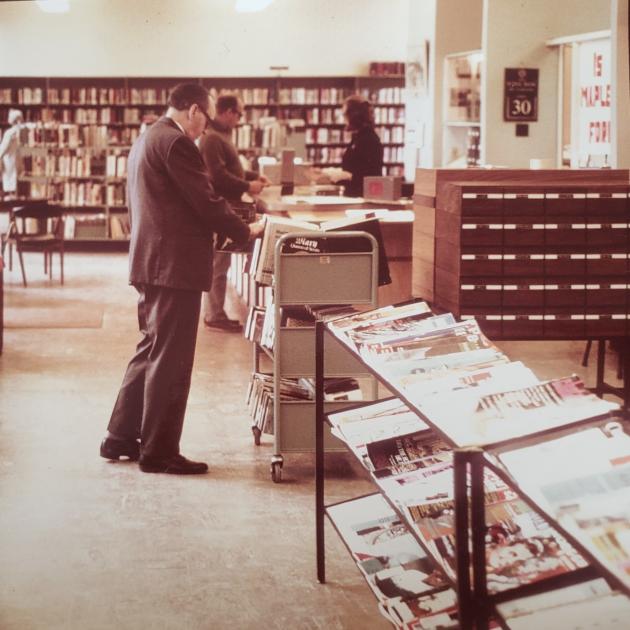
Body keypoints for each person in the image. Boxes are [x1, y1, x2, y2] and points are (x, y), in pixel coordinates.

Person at [100, 83, 263, 475]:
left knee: (151, 348)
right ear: (193, 110)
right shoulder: (176, 144)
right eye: (204, 118)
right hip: (173, 267)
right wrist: (247, 230)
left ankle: (120, 436)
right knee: (171, 361)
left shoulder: (146, 139)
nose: (204, 127)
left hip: (151, 261)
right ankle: (159, 451)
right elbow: (204, 201)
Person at [198, 93, 269, 332]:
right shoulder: (212, 138)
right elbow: (217, 176)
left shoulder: (221, 136)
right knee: (219, 262)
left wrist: (251, 176)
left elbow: (231, 169)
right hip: (222, 206)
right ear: (228, 111)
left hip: (229, 205)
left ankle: (215, 312)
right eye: (239, 113)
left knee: (222, 262)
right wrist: (248, 186)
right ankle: (214, 314)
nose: (240, 119)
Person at [339, 95, 383, 197]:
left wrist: (344, 176)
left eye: (345, 114)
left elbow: (368, 174)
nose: (344, 118)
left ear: (353, 116)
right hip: (356, 194)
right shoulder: (359, 136)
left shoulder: (368, 139)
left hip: (362, 196)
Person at [0, 109, 24, 197]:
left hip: (12, 160)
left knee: (11, 184)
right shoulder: (13, 132)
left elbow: (3, 149)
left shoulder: (12, 132)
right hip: (10, 160)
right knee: (11, 183)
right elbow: (3, 148)